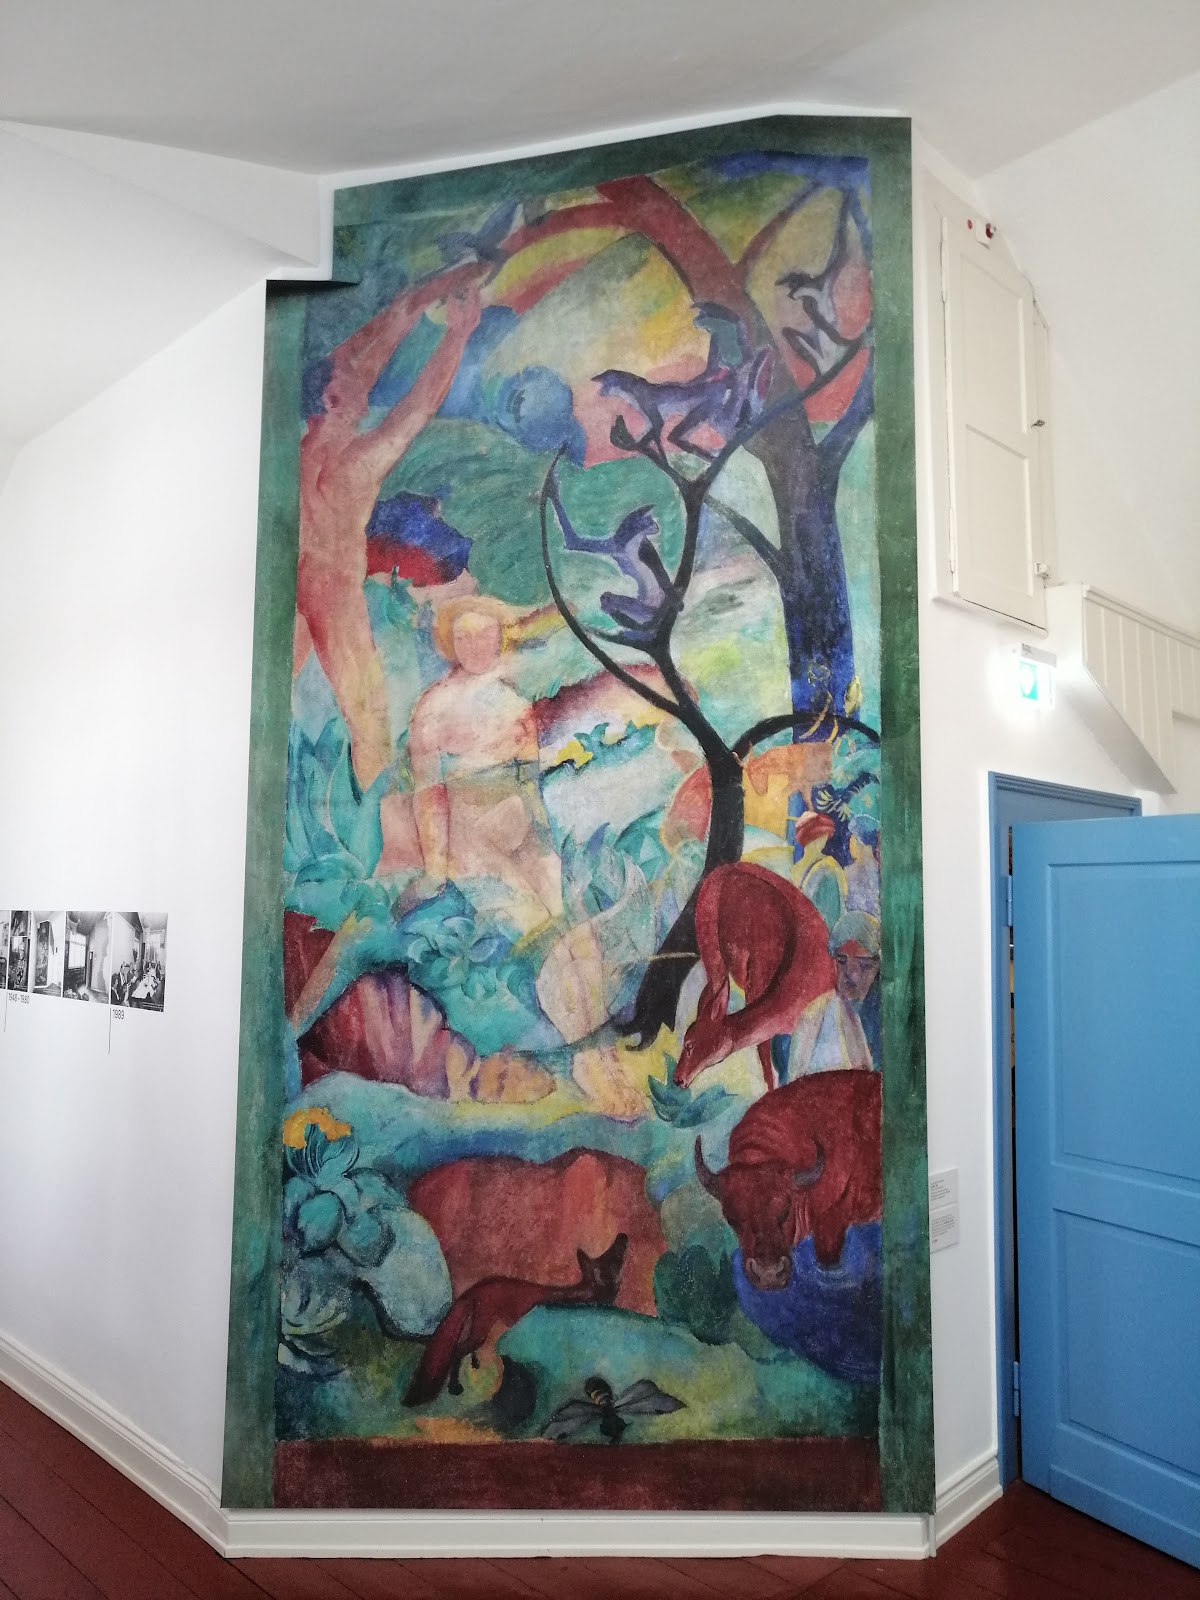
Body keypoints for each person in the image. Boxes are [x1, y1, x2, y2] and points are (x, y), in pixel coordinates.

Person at [787, 910, 881, 1077]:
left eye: (864, 965)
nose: (851, 974)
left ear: (878, 966)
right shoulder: (814, 1017)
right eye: (842, 961)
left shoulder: (888, 1017)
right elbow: (795, 1083)